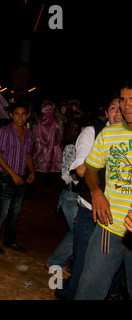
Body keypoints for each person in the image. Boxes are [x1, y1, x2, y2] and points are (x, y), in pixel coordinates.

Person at [56, 98, 123, 300]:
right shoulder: (93, 133)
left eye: (124, 107)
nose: (119, 112)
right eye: (114, 108)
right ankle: (68, 292)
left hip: (121, 219)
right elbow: (82, 168)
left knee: (115, 273)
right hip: (90, 213)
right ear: (106, 111)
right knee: (84, 266)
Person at [75, 83, 132, 299]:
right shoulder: (108, 133)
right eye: (123, 99)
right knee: (89, 289)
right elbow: (90, 169)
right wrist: (96, 191)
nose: (126, 106)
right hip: (109, 226)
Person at [0, 102, 35, 255]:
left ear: (28, 115)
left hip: (21, 178)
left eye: (23, 114)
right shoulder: (4, 132)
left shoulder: (28, 133)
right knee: (2, 212)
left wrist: (32, 171)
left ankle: (10, 241)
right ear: (11, 115)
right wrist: (13, 175)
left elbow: (28, 154)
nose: (20, 117)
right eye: (16, 114)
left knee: (15, 213)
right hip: (5, 178)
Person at [45, 115, 82, 276]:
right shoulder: (71, 148)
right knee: (76, 232)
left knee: (78, 232)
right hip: (70, 196)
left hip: (75, 197)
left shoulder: (79, 148)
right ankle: (54, 262)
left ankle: (64, 264)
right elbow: (71, 176)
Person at [32, 100, 63, 182]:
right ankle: (48, 182)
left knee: (39, 167)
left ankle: (37, 181)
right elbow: (61, 135)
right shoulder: (56, 123)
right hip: (53, 148)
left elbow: (34, 137)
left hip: (41, 148)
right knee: (51, 167)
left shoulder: (38, 122)